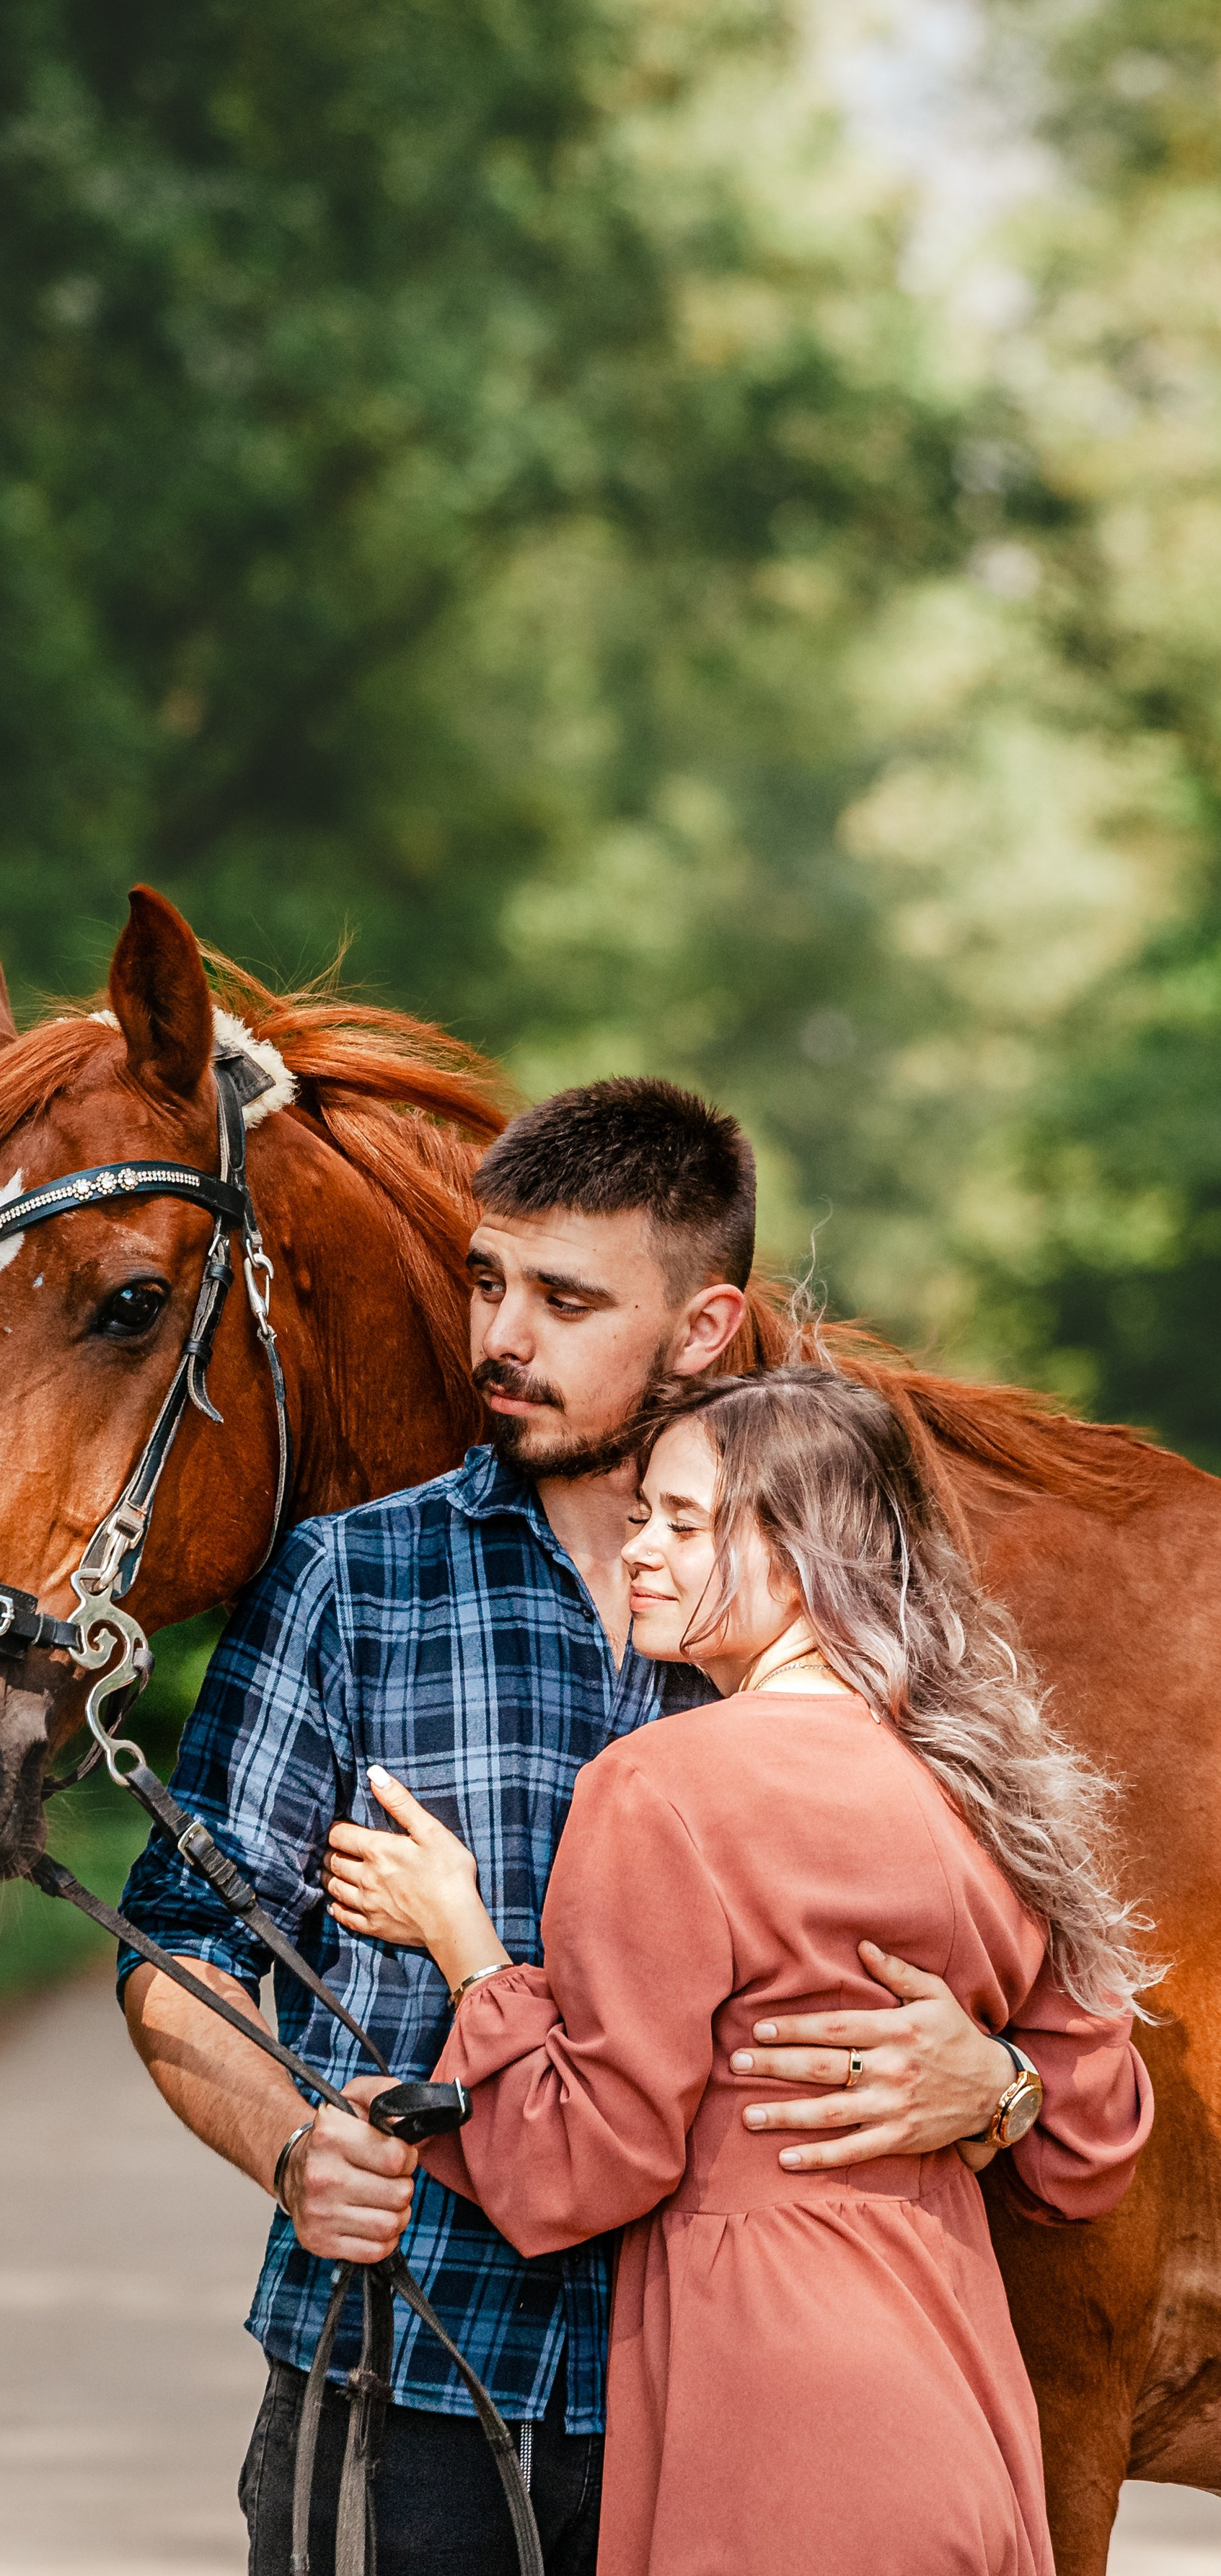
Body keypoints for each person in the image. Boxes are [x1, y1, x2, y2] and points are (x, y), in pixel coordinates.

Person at [118, 1079, 1073, 2576]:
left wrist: (996, 2079)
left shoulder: (864, 1645)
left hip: (725, 2414)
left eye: (566, 1299)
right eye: (489, 1281)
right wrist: (290, 2143)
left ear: (702, 1329)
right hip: (409, 2369)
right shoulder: (349, 1583)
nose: (500, 1335)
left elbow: (1073, 2048)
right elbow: (177, 1945)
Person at [325, 1367, 1155, 2576]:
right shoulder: (981, 1780)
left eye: (685, 1521)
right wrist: (997, 2084)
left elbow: (579, 2165)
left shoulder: (661, 1785)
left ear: (804, 1550)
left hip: (774, 2413)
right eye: (640, 1517)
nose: (640, 1551)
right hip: (958, 2398)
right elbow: (1092, 2139)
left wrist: (464, 1947)